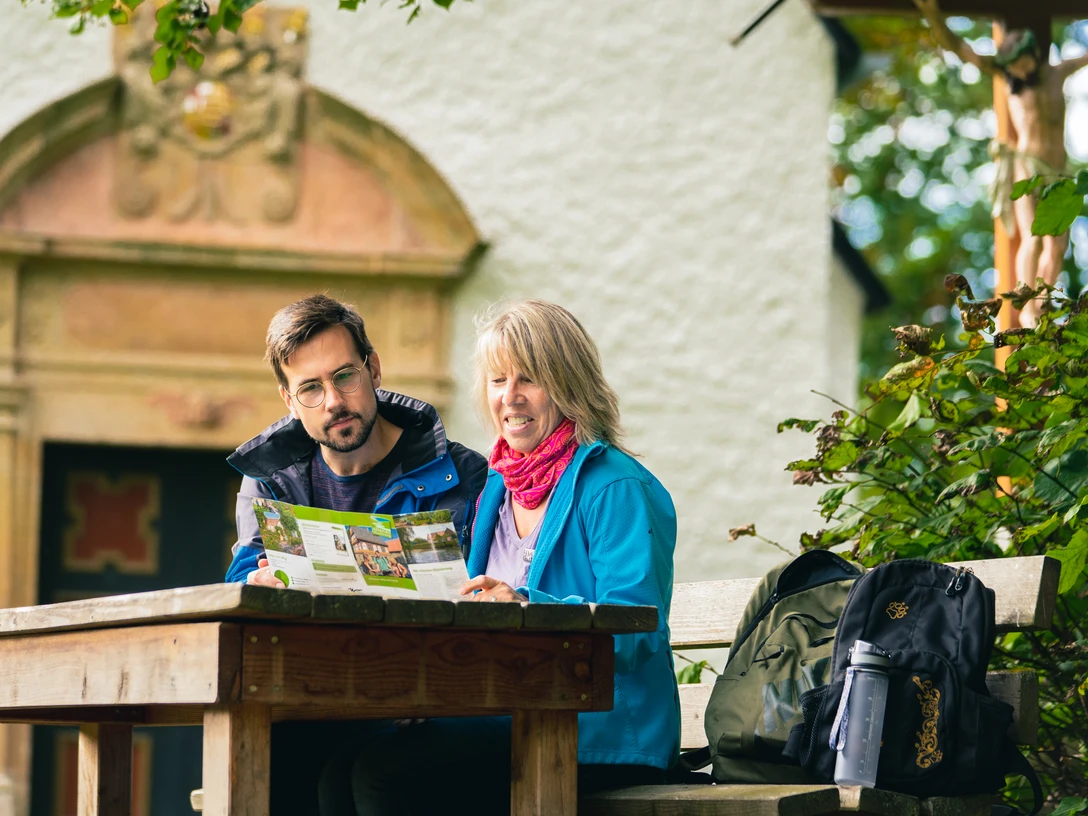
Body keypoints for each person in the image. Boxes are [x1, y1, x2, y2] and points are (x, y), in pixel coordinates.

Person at [320, 300, 679, 815]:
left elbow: (636, 629)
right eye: (497, 380)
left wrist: (527, 608)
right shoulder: (497, 486)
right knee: (337, 770)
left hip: (601, 730)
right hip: (514, 709)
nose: (510, 396)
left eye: (528, 378)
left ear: (569, 383)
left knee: (385, 774)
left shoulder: (614, 485)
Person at [225, 294, 488, 815]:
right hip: (310, 699)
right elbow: (240, 585)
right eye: (310, 388)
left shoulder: (461, 475)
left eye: (344, 376)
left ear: (374, 369)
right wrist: (256, 588)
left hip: (426, 706)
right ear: (288, 399)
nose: (333, 402)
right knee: (259, 758)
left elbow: (483, 598)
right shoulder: (270, 482)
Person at [913, 0, 1088, 325]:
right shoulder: (1009, 80)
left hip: (1059, 172)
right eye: (1011, 66)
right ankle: (1028, 308)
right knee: (1033, 237)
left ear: (1033, 54)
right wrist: (932, 14)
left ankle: (1044, 304)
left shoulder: (1057, 73)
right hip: (1028, 166)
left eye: (1020, 63)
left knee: (1058, 245)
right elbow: (961, 49)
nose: (1016, 71)